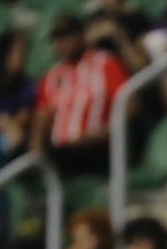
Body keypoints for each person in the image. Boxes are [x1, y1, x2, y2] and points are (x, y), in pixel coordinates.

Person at [31, 16, 130, 177]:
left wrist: (100, 135)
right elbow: (41, 118)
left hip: (96, 148)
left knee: (62, 156)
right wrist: (36, 151)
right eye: (57, 39)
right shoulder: (51, 76)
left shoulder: (105, 63)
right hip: (61, 151)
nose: (61, 44)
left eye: (66, 37)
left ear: (80, 36)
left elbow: (130, 107)